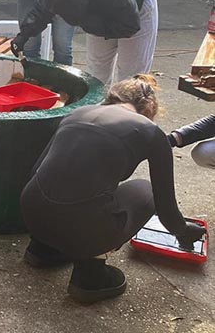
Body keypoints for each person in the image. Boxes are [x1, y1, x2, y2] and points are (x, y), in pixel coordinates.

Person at [19, 75, 206, 304]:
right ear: (149, 109)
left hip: (32, 216)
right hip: (84, 230)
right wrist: (184, 232)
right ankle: (90, 273)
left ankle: (42, 250)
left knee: (66, 185)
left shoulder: (76, 113)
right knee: (144, 190)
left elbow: (35, 171)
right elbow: (166, 209)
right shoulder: (149, 130)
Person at [11, 0, 157, 85]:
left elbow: (130, 26)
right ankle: (98, 110)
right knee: (97, 69)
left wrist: (91, 26)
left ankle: (131, 113)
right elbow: (41, 11)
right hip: (99, 2)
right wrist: (23, 36)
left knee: (131, 73)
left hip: (136, 4)